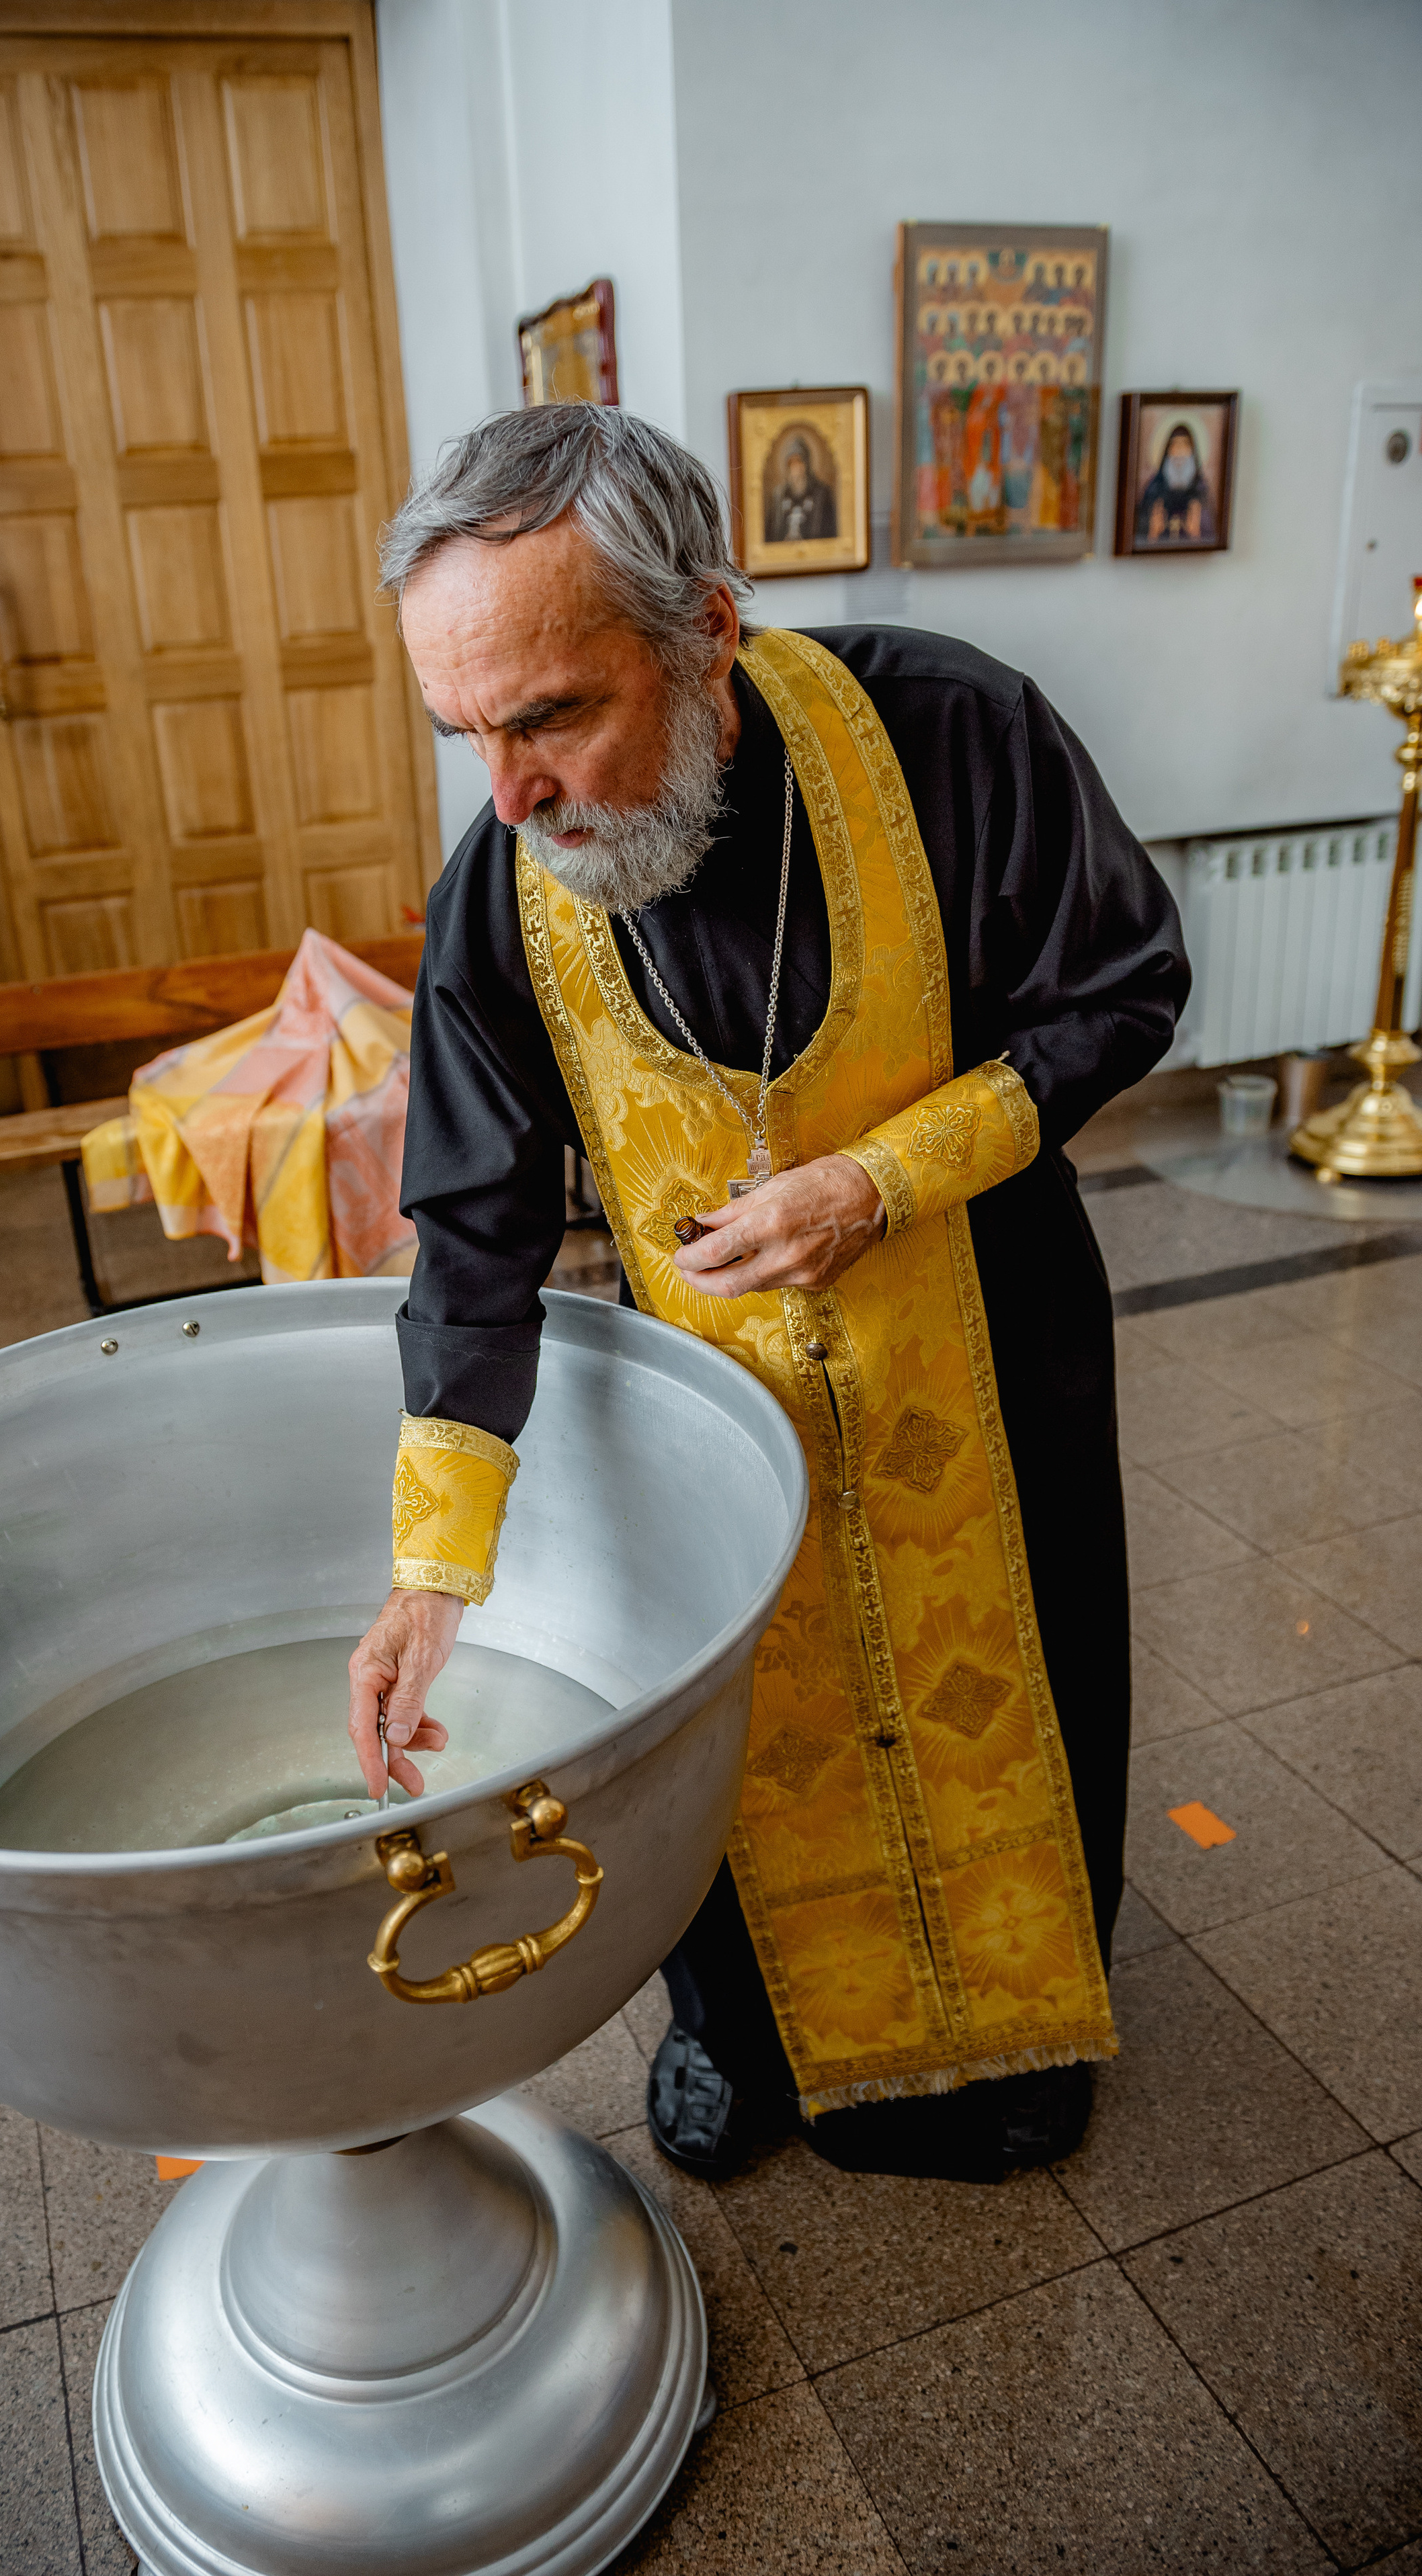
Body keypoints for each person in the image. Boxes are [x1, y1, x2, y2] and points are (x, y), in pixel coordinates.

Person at [346, 405, 1189, 2182]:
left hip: (986, 1345)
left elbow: (1128, 983)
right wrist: (435, 1574)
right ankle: (742, 2044)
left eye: (555, 714)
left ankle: (1017, 2040)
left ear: (704, 633)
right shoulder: (505, 874)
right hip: (709, 1420)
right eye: (466, 735)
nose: (510, 797)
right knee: (739, 1747)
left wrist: (887, 1177)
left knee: (1016, 1682)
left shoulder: (953, 733)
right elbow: (474, 1222)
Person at [1138, 423, 1216, 546]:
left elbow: (1211, 536)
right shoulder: (1154, 487)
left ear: (1192, 450)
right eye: (1174, 445)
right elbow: (1139, 535)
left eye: (1185, 444)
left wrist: (1196, 532)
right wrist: (1153, 531)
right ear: (1167, 450)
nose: (1179, 451)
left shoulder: (1201, 488)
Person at [764, 433, 838, 544]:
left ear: (806, 464)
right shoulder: (779, 495)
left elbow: (830, 532)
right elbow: (770, 534)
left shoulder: (822, 493)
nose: (795, 468)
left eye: (799, 462)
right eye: (792, 463)